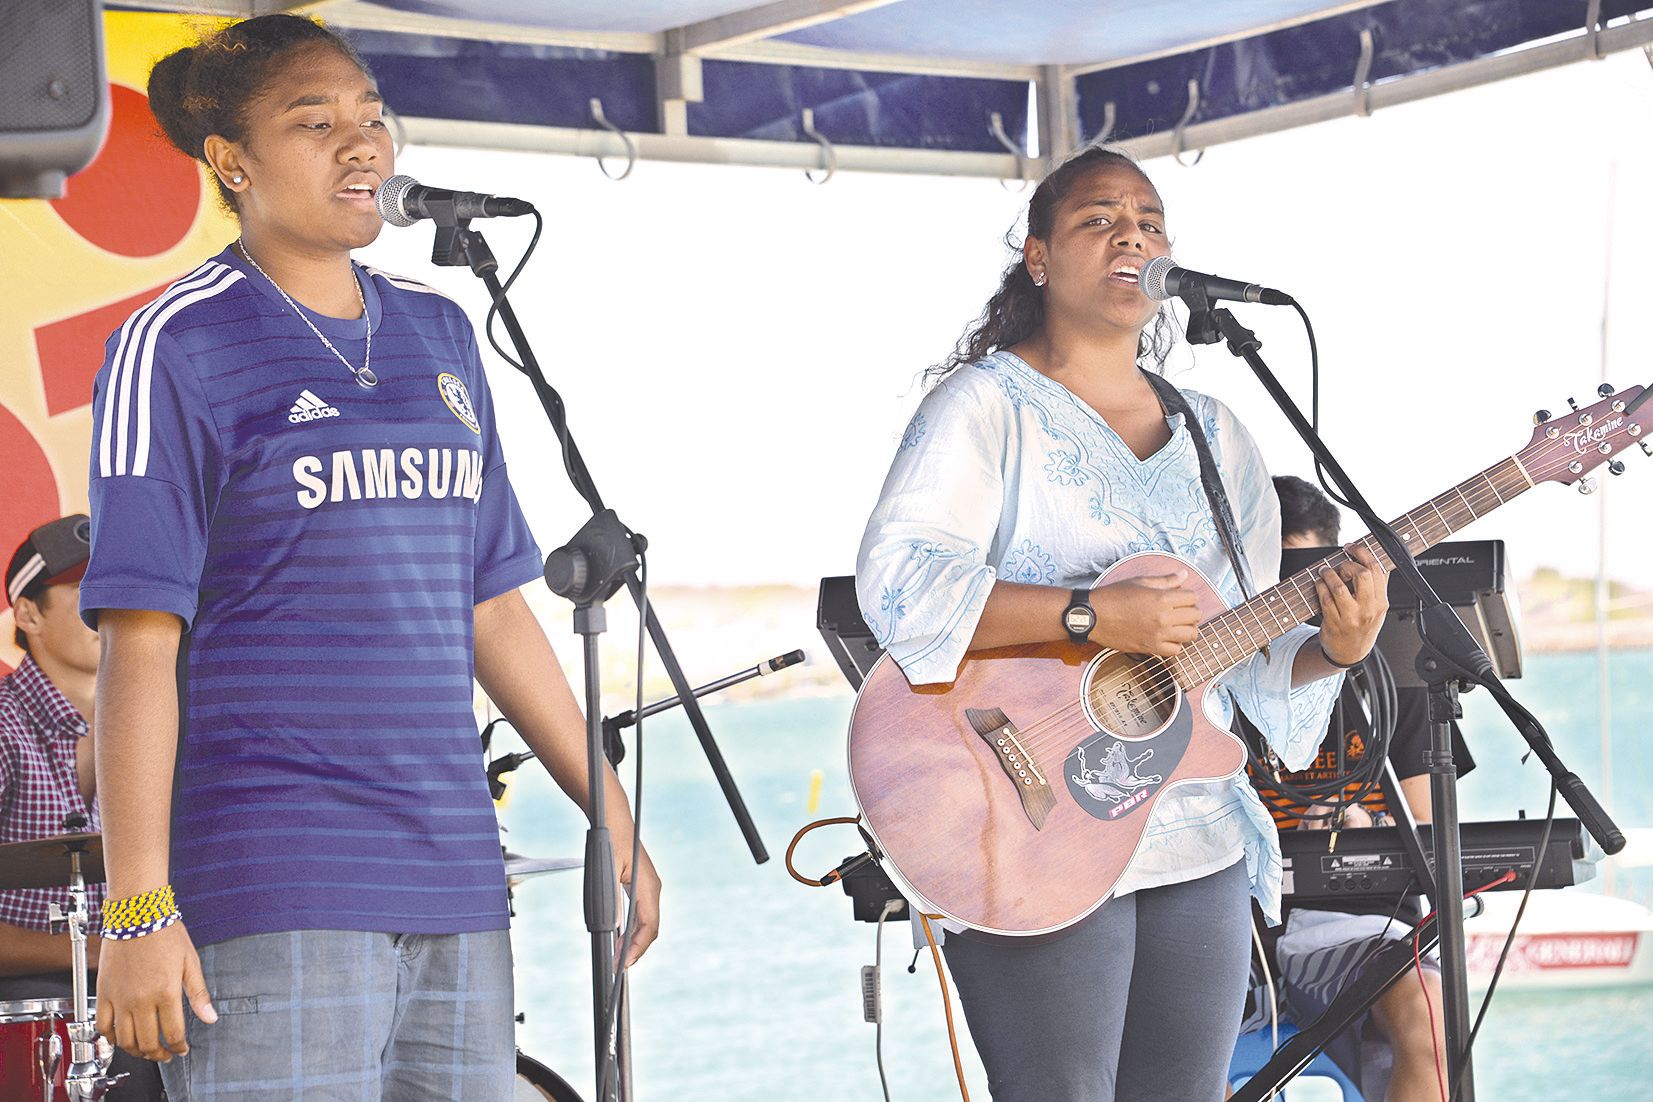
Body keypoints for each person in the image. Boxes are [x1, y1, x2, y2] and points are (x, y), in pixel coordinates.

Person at [80, 15, 659, 1100]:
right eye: (316, 123)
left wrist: (613, 819)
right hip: (273, 875)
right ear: (231, 161)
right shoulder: (175, 341)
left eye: (371, 117)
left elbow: (493, 608)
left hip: (454, 877)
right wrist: (139, 904)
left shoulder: (442, 333)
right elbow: (139, 645)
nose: (362, 146)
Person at [855, 145, 1390, 1102]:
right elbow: (899, 583)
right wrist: (1088, 615)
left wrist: (1330, 651)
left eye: (1147, 220)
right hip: (1027, 809)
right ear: (1038, 257)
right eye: (1099, 219)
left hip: (1197, 834)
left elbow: (1246, 659)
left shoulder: (1218, 432)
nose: (1131, 235)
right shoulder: (985, 407)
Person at [1235, 474, 1476, 1102]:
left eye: (1312, 588)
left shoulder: (1399, 678)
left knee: (1431, 1030)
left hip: (1361, 929)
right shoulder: (1215, 679)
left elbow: (1424, 830)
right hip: (1227, 926)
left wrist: (1367, 834)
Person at [2, 515, 165, 1099]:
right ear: (27, 614)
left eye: (117, 582)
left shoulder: (168, 724)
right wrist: (105, 949)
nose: (108, 602)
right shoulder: (4, 727)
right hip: (26, 1015)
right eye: (84, 588)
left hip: (145, 1004)